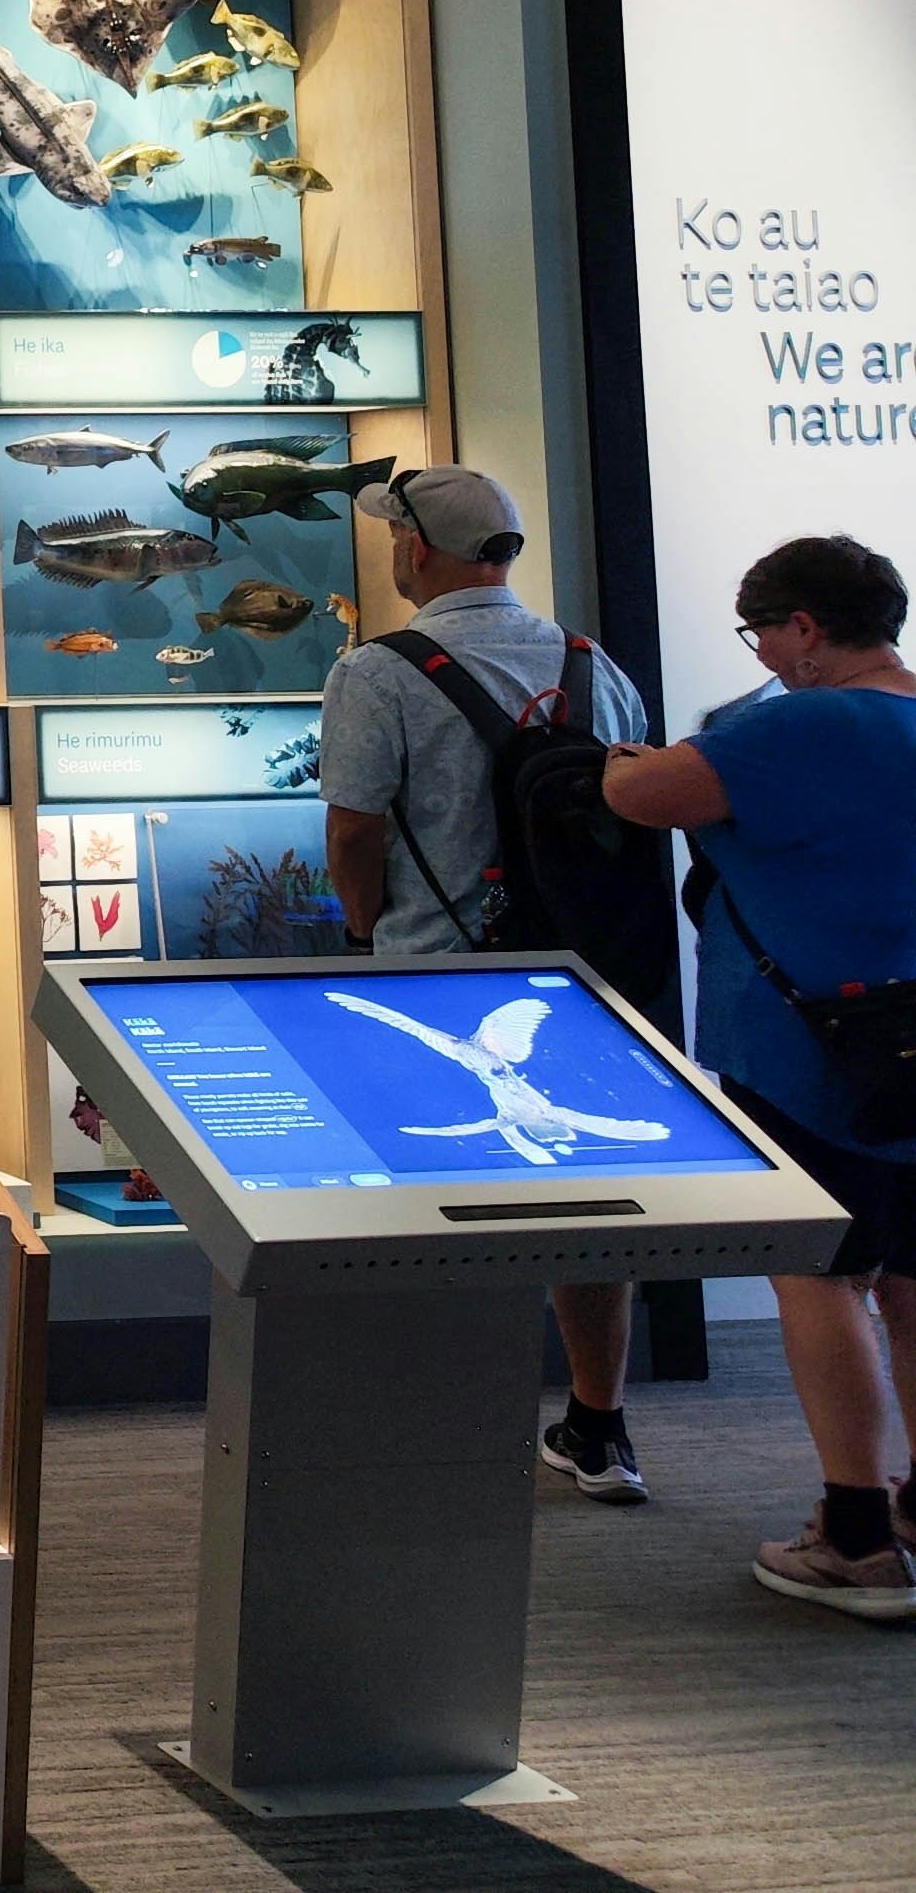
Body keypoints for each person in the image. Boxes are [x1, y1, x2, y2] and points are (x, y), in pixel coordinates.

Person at [317, 464, 656, 1499]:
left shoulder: (375, 671)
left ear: (417, 549)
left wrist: (369, 929)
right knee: (585, 1205)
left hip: (433, 970)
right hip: (576, 975)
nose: (386, 549)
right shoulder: (593, 663)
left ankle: (435, 1432)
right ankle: (598, 1427)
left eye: (391, 536)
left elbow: (352, 827)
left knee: (430, 1193)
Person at [606, 534, 916, 1621]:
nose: (765, 656)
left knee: (819, 1276)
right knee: (912, 1280)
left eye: (763, 634)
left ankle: (856, 1537)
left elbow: (648, 799)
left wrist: (614, 762)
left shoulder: (800, 721)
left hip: (814, 1048)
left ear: (803, 628)